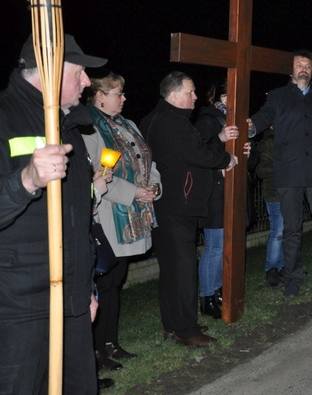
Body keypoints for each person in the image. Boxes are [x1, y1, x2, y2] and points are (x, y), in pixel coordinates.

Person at [0, 34, 107, 393]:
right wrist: (27, 179)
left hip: (71, 301)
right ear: (50, 72)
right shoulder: (4, 117)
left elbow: (77, 219)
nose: (88, 82)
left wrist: (85, 289)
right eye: (79, 72)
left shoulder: (69, 125)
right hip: (19, 307)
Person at [141, 71, 238, 347]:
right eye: (190, 92)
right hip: (177, 206)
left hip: (168, 204)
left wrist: (217, 143)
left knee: (171, 268)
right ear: (173, 96)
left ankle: (172, 324)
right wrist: (226, 158)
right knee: (183, 269)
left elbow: (193, 147)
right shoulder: (172, 122)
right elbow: (196, 154)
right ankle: (187, 329)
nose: (195, 97)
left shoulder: (160, 119)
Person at [82, 72, 161, 372]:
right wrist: (134, 193)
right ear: (100, 96)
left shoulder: (128, 124)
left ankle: (111, 342)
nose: (124, 98)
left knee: (116, 283)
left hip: (133, 214)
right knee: (103, 283)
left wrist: (153, 186)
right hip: (109, 217)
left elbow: (147, 160)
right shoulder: (90, 128)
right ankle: (96, 348)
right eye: (118, 92)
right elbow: (98, 176)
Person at [247, 50, 312, 301]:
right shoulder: (278, 97)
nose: (304, 69)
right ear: (291, 70)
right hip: (289, 174)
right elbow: (264, 117)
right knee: (291, 230)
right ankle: (293, 278)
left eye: (308, 65)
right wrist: (251, 125)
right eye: (299, 64)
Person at [194, 81, 246, 319]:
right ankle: (207, 298)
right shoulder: (208, 119)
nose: (230, 101)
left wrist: (247, 153)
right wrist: (219, 137)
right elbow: (195, 152)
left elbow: (247, 163)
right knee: (214, 247)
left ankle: (217, 292)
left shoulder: (238, 120)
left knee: (226, 246)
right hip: (214, 192)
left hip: (233, 190)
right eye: (226, 96)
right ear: (217, 97)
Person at [255, 126, 285, 287]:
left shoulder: (288, 139)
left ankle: (283, 267)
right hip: (274, 193)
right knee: (278, 231)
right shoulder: (268, 142)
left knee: (287, 231)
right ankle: (271, 268)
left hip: (289, 193)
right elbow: (260, 169)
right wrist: (280, 168)